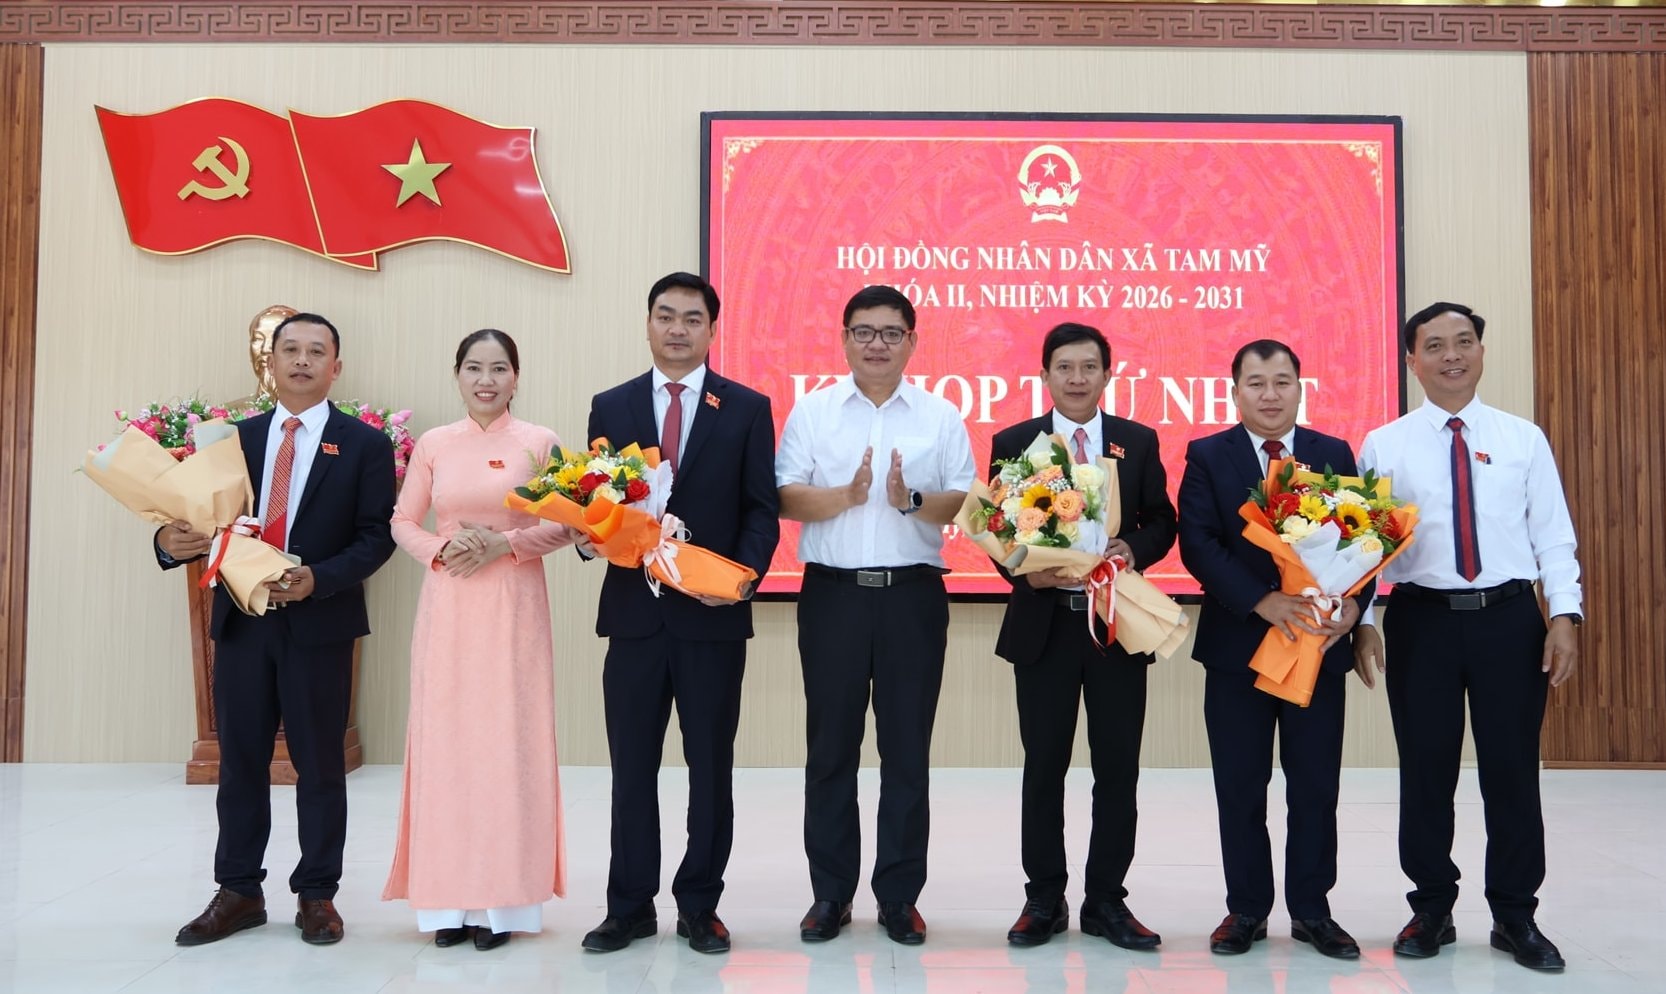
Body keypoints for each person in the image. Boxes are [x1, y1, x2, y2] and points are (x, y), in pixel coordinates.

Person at [155, 312, 397, 945]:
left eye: (316, 351)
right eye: (291, 350)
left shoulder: (365, 445)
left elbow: (376, 537)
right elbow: (196, 520)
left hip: (320, 624)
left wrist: (320, 578)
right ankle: (238, 890)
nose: (302, 360)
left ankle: (318, 894)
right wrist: (167, 542)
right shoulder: (232, 441)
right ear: (272, 363)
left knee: (320, 766)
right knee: (240, 762)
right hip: (244, 623)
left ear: (336, 367)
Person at [1354, 302, 1581, 972]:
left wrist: (1564, 616)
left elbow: (1553, 536)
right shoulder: (1384, 445)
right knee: (1426, 772)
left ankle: (1515, 914)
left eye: (1463, 342)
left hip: (1509, 621)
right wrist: (1363, 622)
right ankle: (1431, 908)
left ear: (1481, 351)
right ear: (1412, 361)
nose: (1450, 355)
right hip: (1421, 620)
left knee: (1512, 772)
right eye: (1434, 345)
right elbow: (1360, 547)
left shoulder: (1523, 439)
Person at [579, 272, 780, 955]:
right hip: (634, 618)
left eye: (692, 318)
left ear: (712, 330)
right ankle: (629, 906)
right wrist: (588, 537)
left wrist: (739, 581)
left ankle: (700, 905)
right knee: (631, 769)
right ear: (648, 323)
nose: (677, 329)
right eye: (665, 315)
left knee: (710, 768)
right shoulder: (611, 405)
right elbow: (596, 501)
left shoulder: (746, 407)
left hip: (710, 618)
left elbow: (759, 510)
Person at [777, 284, 976, 946]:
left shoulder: (940, 416)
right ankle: (830, 894)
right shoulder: (814, 411)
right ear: (844, 339)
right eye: (864, 331)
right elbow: (785, 496)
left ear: (912, 342)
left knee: (906, 752)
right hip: (832, 596)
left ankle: (898, 897)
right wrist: (846, 495)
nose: (877, 344)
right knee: (830, 750)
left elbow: (964, 501)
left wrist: (909, 499)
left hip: (912, 598)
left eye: (891, 333)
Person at [381, 329, 576, 950]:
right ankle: (447, 905)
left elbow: (568, 522)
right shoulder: (435, 444)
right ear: (457, 375)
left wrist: (506, 544)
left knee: (508, 745)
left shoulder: (539, 442)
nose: (485, 380)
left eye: (498, 368)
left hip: (514, 606)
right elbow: (401, 520)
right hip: (450, 603)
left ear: (516, 377)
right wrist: (441, 550)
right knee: (447, 747)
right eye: (473, 368)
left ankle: (502, 906)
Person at [990, 322, 1176, 951]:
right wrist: (1024, 571)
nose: (1076, 378)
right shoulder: (1015, 442)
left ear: (1107, 374)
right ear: (1044, 375)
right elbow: (999, 528)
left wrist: (1134, 547)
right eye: (1064, 367)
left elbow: (1163, 519)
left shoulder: (1136, 441)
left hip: (1114, 623)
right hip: (1044, 625)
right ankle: (1043, 898)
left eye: (1089, 367)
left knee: (1117, 767)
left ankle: (1106, 901)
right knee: (1043, 766)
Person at [1177, 339, 1364, 959]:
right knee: (1241, 784)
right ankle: (1246, 910)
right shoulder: (1208, 455)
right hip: (1239, 647)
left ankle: (1312, 910)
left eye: (1282, 381)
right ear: (1235, 392)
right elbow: (1199, 543)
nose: (1270, 394)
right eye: (1256, 383)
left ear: (1300, 388)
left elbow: (1366, 541)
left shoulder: (1332, 454)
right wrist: (1262, 601)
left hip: (1316, 646)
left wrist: (1354, 607)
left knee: (1315, 785)